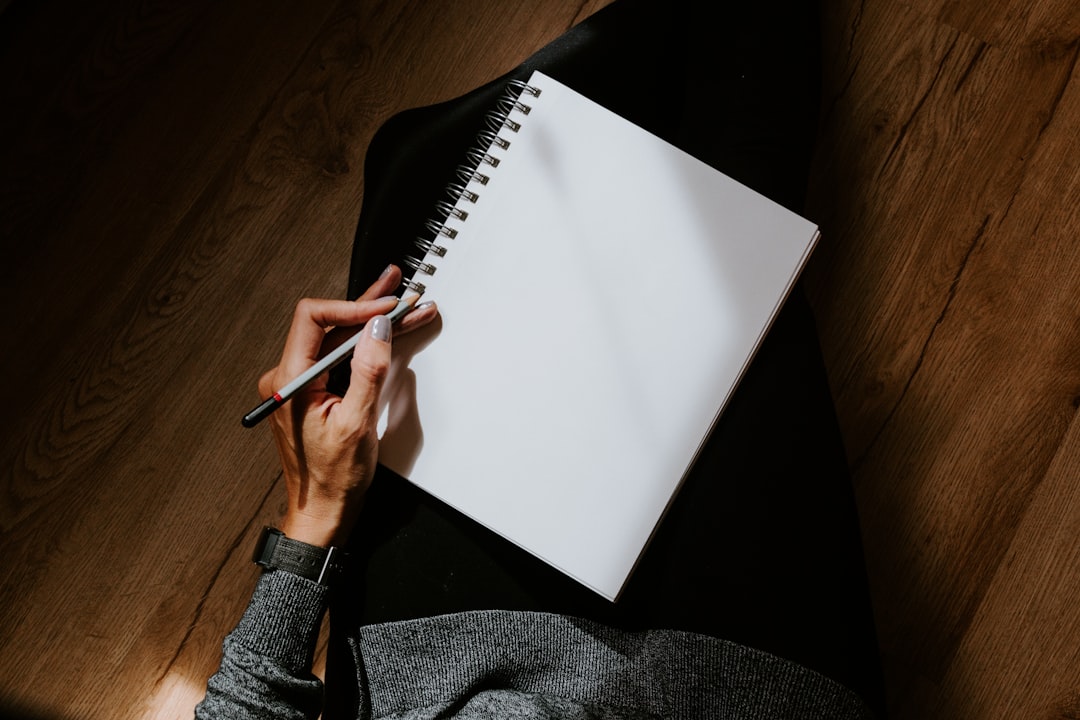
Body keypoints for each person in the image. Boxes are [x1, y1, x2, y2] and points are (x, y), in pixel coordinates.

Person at [195, 261, 876, 719]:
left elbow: (244, 707)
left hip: (440, 669)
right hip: (751, 689)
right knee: (742, 273)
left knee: (418, 172)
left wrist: (311, 520)